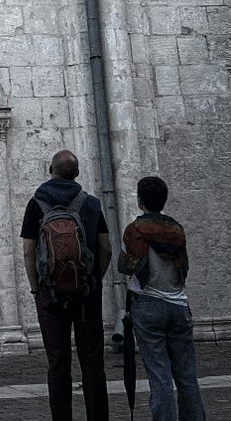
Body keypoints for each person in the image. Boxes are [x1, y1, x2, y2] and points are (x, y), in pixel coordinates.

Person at [21, 150, 112, 421]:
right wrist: (95, 279)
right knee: (93, 360)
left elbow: (28, 250)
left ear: (50, 169)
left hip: (50, 294)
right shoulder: (92, 204)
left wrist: (36, 287)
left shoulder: (36, 204)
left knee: (58, 361)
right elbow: (106, 247)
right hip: (87, 293)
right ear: (78, 173)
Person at [118, 176, 205, 421]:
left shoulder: (135, 230)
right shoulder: (176, 229)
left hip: (148, 304)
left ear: (140, 200)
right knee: (187, 376)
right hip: (179, 304)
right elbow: (183, 265)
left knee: (160, 377)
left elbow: (124, 267)